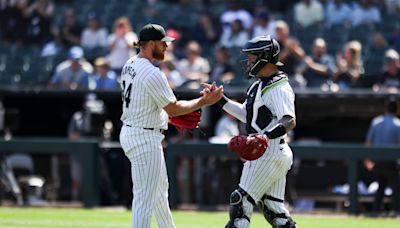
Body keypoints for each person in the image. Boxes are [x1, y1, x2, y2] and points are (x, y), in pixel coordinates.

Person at [119, 23, 223, 228]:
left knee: (159, 193)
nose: (167, 47)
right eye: (162, 43)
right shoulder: (152, 72)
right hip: (143, 137)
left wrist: (160, 115)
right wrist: (204, 101)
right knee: (144, 198)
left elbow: (146, 101)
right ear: (150, 44)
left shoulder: (129, 64)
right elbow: (173, 109)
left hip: (137, 130)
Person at [203, 35, 296, 227]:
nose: (248, 61)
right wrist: (220, 100)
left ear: (265, 56)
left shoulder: (278, 86)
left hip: (268, 150)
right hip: (273, 150)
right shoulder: (259, 83)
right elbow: (247, 114)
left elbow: (288, 120)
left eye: (252, 56)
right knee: (274, 210)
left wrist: (264, 136)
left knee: (241, 202)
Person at [365, 97, 400, 216]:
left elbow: (368, 143)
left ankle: (376, 211)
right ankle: (395, 211)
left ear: (385, 108)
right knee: (396, 188)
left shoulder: (376, 122)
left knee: (381, 187)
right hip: (392, 163)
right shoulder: (398, 124)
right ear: (397, 110)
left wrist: (367, 159)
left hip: (378, 162)